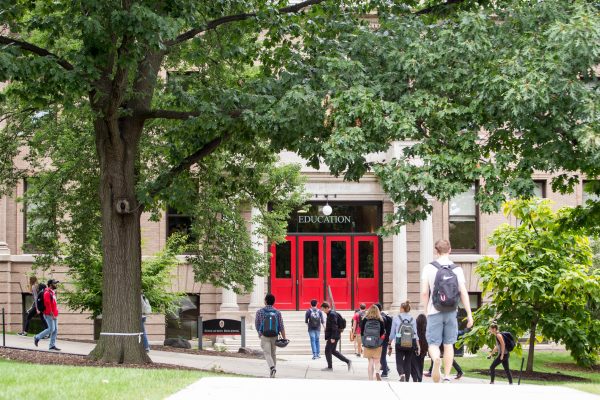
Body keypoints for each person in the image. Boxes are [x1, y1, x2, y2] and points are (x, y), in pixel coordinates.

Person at [421, 239, 473, 383]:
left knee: (433, 344)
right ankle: (447, 376)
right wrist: (469, 314)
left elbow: (425, 293)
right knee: (449, 344)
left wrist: (426, 310)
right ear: (450, 250)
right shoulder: (457, 269)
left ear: (436, 251)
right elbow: (463, 293)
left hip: (434, 311)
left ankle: (436, 359)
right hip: (451, 311)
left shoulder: (429, 268)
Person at [255, 293, 286, 378]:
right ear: (273, 302)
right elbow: (281, 326)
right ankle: (272, 374)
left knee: (267, 353)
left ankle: (272, 368)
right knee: (273, 354)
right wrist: (284, 338)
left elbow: (257, 324)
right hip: (274, 335)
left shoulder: (259, 312)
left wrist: (260, 333)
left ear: (265, 301)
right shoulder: (277, 312)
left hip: (264, 336)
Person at [389, 300, 420, 382]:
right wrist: (418, 345)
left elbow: (392, 333)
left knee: (399, 360)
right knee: (408, 361)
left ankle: (401, 375)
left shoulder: (396, 318)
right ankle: (407, 379)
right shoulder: (412, 319)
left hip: (399, 342)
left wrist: (389, 343)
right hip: (410, 342)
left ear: (402, 308)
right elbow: (415, 333)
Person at [321, 301, 352, 372]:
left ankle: (330, 367)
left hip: (333, 336)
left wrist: (333, 337)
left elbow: (334, 326)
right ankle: (348, 361)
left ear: (327, 308)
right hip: (335, 335)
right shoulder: (331, 314)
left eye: (323, 309)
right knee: (333, 351)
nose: (322, 311)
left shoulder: (331, 314)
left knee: (327, 350)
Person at [360, 305, 386, 381]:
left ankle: (370, 380)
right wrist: (380, 342)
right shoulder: (380, 320)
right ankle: (377, 372)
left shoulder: (365, 319)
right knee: (377, 361)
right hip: (377, 343)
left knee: (370, 362)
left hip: (367, 343)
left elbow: (362, 332)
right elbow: (382, 333)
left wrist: (364, 342)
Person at [34, 279, 60, 351]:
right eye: (55, 283)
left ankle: (52, 345)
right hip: (49, 314)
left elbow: (53, 303)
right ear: (50, 284)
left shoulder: (52, 292)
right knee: (51, 329)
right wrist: (52, 314)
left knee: (55, 330)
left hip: (54, 313)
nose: (56, 285)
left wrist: (55, 312)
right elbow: (47, 305)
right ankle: (37, 337)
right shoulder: (47, 293)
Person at [375, 302, 392, 378]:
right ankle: (386, 368)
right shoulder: (385, 316)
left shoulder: (381, 318)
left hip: (381, 339)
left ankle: (385, 372)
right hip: (385, 339)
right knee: (382, 355)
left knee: (381, 357)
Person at [411, 313, 428, 382]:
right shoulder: (426, 330)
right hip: (424, 348)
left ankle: (415, 378)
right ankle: (420, 377)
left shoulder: (414, 328)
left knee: (414, 364)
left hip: (415, 348)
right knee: (421, 364)